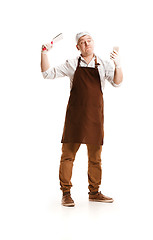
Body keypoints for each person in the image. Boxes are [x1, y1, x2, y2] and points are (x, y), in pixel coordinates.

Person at [41, 31, 123, 207]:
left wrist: (118, 65)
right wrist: (44, 53)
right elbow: (47, 73)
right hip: (75, 118)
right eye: (82, 42)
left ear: (93, 43)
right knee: (68, 156)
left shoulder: (104, 64)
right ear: (77, 47)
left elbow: (117, 82)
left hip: (95, 117)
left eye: (89, 40)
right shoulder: (72, 64)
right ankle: (66, 193)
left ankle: (94, 192)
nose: (87, 44)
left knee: (95, 158)